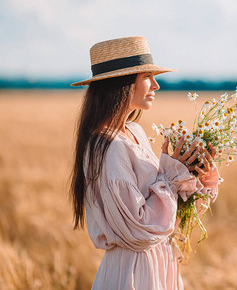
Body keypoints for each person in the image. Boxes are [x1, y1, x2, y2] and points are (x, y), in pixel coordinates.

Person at [69, 36, 221, 289]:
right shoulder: (109, 146)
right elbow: (140, 229)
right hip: (135, 271)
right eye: (147, 77)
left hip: (159, 261)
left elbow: (163, 208)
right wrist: (173, 174)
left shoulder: (134, 131)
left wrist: (194, 171)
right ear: (123, 84)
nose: (156, 85)